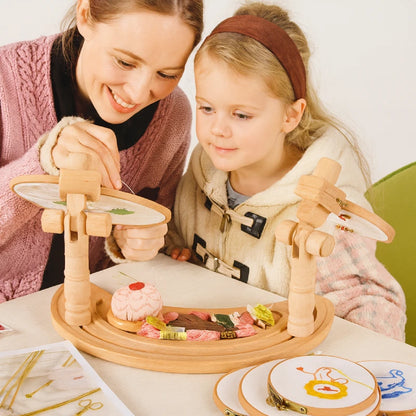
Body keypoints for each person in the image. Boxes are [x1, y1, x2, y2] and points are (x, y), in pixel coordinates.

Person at [167, 2, 406, 341]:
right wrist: (174, 250)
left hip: (283, 368)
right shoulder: (203, 172)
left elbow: (372, 301)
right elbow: (176, 239)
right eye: (207, 108)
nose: (217, 129)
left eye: (241, 115)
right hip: (207, 356)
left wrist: (351, 368)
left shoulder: (325, 207)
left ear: (290, 116)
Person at [0, 0, 204, 302]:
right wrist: (42, 163)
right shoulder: (6, 79)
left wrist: (130, 245)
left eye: (166, 74)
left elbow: (151, 244)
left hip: (90, 322)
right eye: (125, 62)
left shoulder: (173, 117)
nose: (137, 92)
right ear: (85, 15)